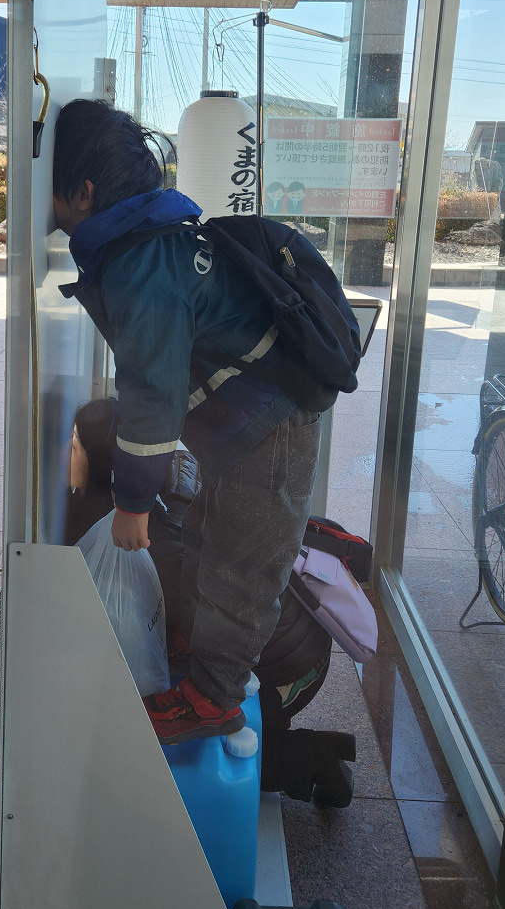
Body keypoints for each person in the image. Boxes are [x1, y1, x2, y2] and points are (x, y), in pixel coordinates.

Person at [53, 98, 329, 746]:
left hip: (271, 427)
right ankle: (200, 646)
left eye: (51, 191)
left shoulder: (139, 267)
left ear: (85, 193)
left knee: (242, 566)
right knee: (210, 534)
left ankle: (214, 698)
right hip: (246, 426)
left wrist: (132, 505)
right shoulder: (150, 243)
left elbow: (151, 394)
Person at [65, 397, 356, 805]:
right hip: (291, 633)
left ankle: (318, 760)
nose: (66, 453)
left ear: (99, 461)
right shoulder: (170, 474)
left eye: (73, 444)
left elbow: (181, 628)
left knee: (220, 742)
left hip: (287, 666)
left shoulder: (142, 542)